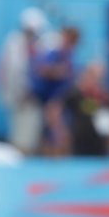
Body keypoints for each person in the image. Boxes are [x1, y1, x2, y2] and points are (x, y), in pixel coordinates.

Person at [0, 8, 48, 154]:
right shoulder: (13, 42)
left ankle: (30, 154)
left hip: (35, 96)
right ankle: (19, 154)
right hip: (16, 96)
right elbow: (5, 69)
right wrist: (9, 93)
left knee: (33, 131)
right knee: (18, 132)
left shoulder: (42, 44)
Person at [30, 26, 80, 157]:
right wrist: (58, 71)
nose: (67, 42)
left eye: (71, 41)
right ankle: (51, 154)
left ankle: (61, 154)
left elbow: (69, 76)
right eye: (66, 39)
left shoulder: (69, 56)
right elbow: (42, 70)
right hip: (49, 98)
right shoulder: (54, 53)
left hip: (63, 98)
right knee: (52, 125)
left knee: (60, 127)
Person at [63, 62, 109, 156]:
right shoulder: (76, 94)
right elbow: (57, 108)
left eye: (95, 77)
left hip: (101, 145)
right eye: (89, 75)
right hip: (78, 144)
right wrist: (62, 133)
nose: (91, 79)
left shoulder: (107, 96)